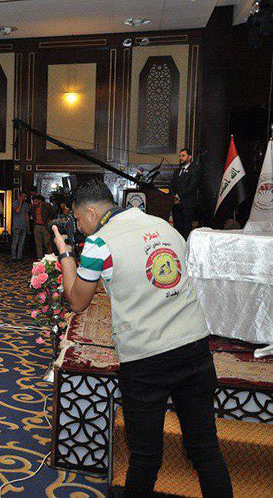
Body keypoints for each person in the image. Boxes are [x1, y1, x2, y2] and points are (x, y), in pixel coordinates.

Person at [53, 180, 232, 497]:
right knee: (206, 450)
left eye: (78, 220)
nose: (79, 227)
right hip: (194, 347)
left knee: (145, 459)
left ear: (91, 213)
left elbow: (78, 301)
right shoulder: (163, 226)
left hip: (146, 359)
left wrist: (66, 254)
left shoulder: (99, 243)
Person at [169, 148, 202, 239]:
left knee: (186, 229)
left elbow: (193, 185)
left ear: (190, 157)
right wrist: (172, 195)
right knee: (177, 228)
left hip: (187, 204)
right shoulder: (177, 170)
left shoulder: (195, 169)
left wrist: (179, 195)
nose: (181, 158)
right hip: (176, 204)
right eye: (180, 156)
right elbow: (171, 185)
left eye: (183, 156)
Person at [11, 192, 29, 261]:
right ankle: (13, 257)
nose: (24, 198)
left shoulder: (26, 204)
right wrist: (20, 202)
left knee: (21, 242)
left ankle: (19, 257)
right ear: (19, 196)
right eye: (23, 197)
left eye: (25, 197)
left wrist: (28, 224)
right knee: (15, 242)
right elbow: (17, 210)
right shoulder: (14, 203)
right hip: (16, 226)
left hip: (23, 226)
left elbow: (26, 214)